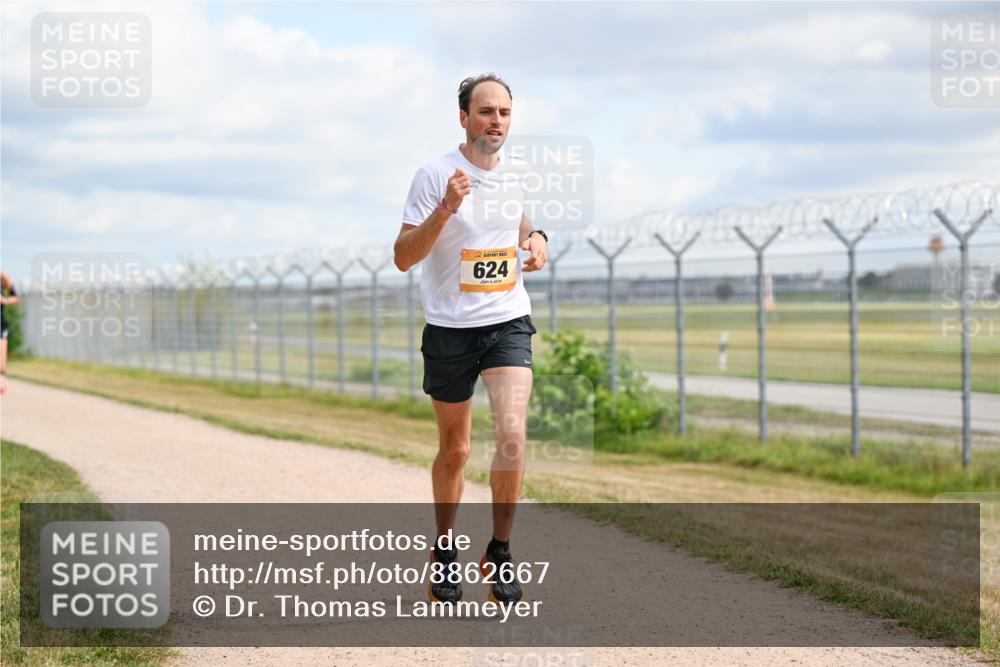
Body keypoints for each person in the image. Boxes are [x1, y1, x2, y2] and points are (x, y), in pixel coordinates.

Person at [394, 73, 548, 605]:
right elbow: (403, 256)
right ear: (464, 118)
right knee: (456, 450)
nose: (496, 122)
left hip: (507, 320)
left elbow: (516, 217)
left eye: (504, 112)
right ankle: (443, 550)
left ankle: (500, 552)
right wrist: (445, 210)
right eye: (485, 112)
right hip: (450, 329)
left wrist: (536, 237)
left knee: (512, 435)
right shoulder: (435, 175)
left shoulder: (516, 174)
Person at [1, 272, 21, 395]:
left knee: (1, 366)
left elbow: (17, 298)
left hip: (0, 325)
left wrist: (4, 300)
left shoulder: (3, 278)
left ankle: (2, 380)